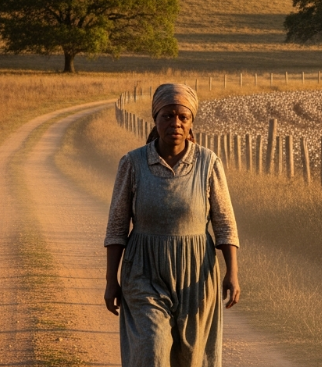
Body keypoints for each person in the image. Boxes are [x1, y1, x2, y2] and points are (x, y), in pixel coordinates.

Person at [103, 83, 240, 366]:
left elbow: (225, 223)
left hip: (196, 274)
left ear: (191, 123)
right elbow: (117, 227)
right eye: (167, 116)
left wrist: (232, 273)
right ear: (155, 119)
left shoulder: (208, 163)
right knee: (152, 350)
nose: (175, 123)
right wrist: (110, 280)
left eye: (183, 117)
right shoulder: (133, 163)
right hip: (144, 271)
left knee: (190, 358)